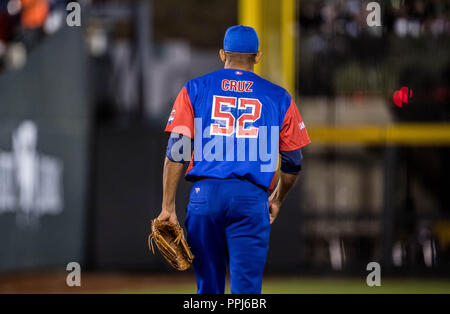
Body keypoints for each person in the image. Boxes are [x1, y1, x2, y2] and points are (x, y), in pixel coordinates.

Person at [157, 25, 311, 294]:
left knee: (208, 290)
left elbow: (177, 151)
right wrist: (277, 198)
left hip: (205, 197)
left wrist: (167, 206)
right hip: (251, 200)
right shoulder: (278, 97)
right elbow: (293, 162)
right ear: (258, 56)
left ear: (221, 54)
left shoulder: (195, 88)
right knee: (247, 291)